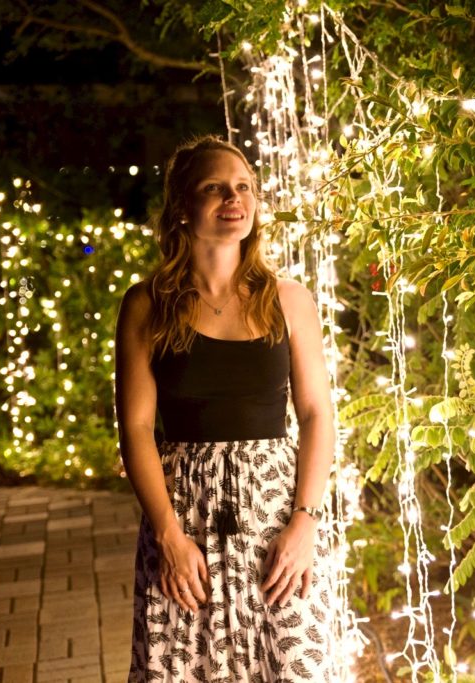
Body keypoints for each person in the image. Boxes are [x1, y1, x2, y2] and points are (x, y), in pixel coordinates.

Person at [115, 135, 335, 681]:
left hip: (276, 519)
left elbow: (315, 414)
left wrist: (305, 522)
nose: (233, 198)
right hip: (184, 518)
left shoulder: (289, 299)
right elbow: (136, 427)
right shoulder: (147, 304)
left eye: (243, 188)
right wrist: (167, 535)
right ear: (183, 207)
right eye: (214, 188)